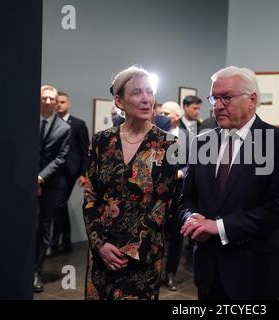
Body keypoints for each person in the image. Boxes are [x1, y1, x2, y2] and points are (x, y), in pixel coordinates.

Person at [179, 66, 279, 300]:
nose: (218, 105)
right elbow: (187, 197)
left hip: (255, 272)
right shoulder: (202, 142)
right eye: (214, 98)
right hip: (208, 272)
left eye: (227, 97)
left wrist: (219, 227)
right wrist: (191, 219)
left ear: (252, 100)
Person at [83, 66, 177, 300]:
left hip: (142, 257)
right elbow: (90, 198)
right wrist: (100, 244)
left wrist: (129, 250)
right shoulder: (101, 141)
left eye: (149, 92)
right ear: (119, 100)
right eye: (137, 93)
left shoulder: (168, 144)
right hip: (101, 252)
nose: (146, 99)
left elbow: (163, 204)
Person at [36, 85, 71, 292]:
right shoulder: (27, 120)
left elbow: (61, 158)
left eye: (52, 99)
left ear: (57, 102)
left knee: (43, 229)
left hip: (49, 184)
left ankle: (36, 272)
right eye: (44, 98)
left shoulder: (64, 128)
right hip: (23, 184)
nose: (48, 102)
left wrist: (40, 177)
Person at [47, 91, 90, 256]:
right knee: (58, 206)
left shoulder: (78, 124)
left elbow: (86, 150)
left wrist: (83, 173)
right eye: (57, 102)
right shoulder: (50, 123)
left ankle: (54, 243)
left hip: (70, 172)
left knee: (57, 205)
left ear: (68, 104)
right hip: (52, 170)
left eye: (62, 102)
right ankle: (65, 241)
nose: (59, 104)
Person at [159, 101, 189, 291]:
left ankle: (170, 274)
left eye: (167, 113)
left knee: (177, 238)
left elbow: (193, 164)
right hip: (158, 195)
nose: (162, 115)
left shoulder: (189, 137)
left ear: (177, 116)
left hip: (179, 194)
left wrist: (181, 173)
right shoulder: (154, 135)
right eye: (161, 112)